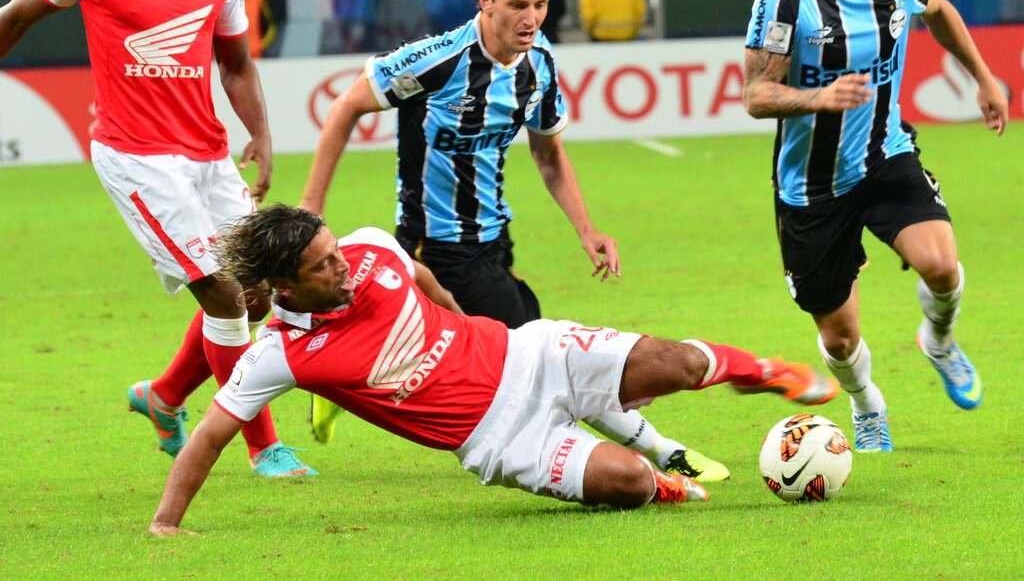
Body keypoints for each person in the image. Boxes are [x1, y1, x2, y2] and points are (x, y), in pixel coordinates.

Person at [300, 0, 727, 483]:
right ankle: (665, 453)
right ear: (485, 0)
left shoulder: (540, 64)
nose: (531, 18)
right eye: (518, 6)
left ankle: (344, 366)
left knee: (481, 354)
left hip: (495, 237)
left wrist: (586, 228)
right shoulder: (437, 59)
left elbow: (548, 153)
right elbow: (345, 108)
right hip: (438, 241)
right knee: (543, 355)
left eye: (540, 5)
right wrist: (312, 209)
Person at [147, 205, 840, 534]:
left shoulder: (365, 249)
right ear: (288, 288)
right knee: (626, 486)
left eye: (336, 250)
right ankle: (656, 476)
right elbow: (208, 436)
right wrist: (166, 527)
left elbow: (410, 268)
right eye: (323, 266)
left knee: (681, 362)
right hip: (500, 442)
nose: (343, 265)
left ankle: (761, 369)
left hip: (528, 354)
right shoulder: (279, 353)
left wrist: (451, 309)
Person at [0, 0, 313, 478]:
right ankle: (264, 448)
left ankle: (165, 396)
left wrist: (259, 132)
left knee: (255, 295)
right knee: (224, 297)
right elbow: (17, 16)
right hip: (136, 155)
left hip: (206, 150)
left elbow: (236, 61)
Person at [741, 0, 1008, 452]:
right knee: (839, 337)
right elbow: (756, 95)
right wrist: (817, 97)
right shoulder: (785, 0)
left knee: (941, 263)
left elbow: (940, 13)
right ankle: (867, 403)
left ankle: (938, 341)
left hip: (886, 153)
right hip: (810, 187)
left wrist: (985, 79)